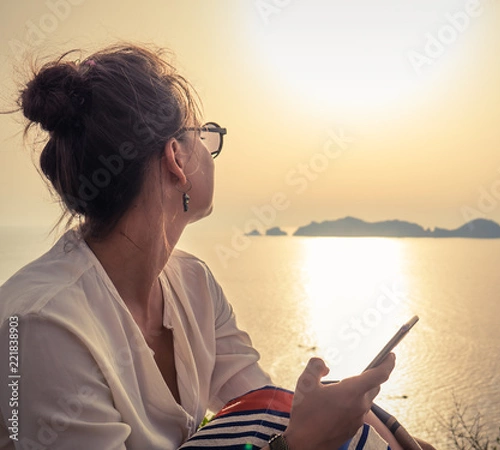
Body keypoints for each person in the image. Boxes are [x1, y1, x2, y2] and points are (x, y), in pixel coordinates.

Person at [0, 44, 435, 450]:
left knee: (339, 409)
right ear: (175, 158)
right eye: (203, 136)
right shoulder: (40, 326)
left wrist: (344, 420)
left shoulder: (193, 283)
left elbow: (263, 403)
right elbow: (279, 433)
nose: (211, 150)